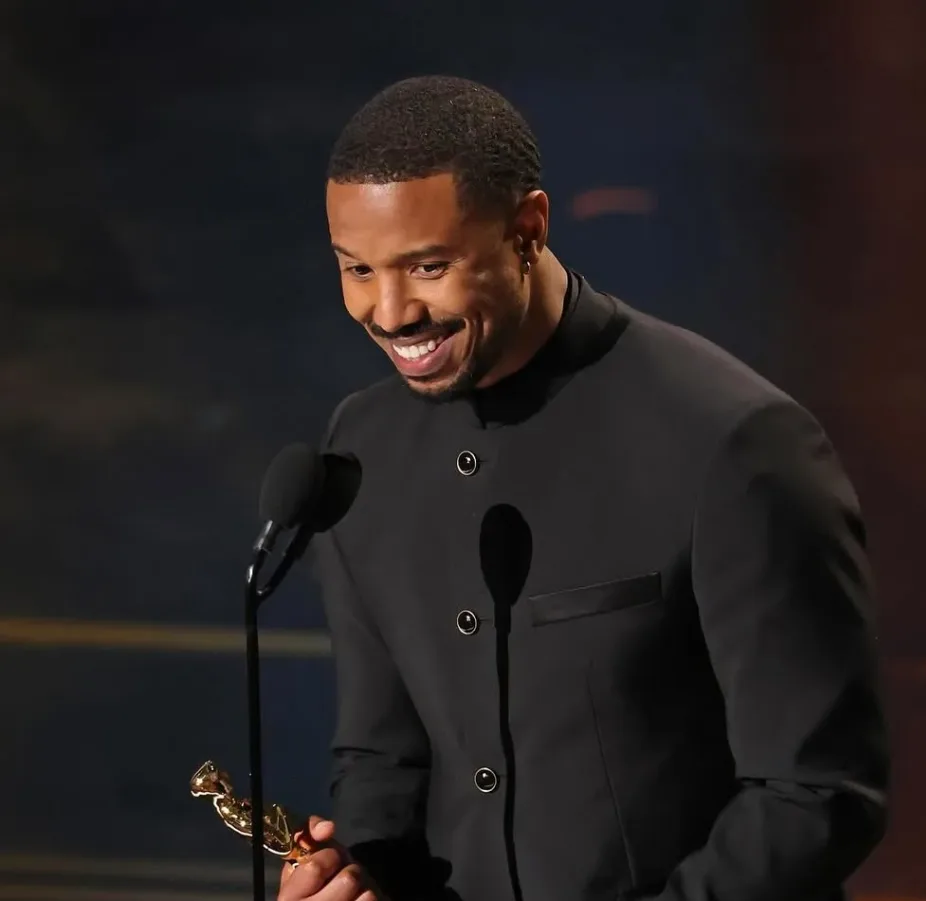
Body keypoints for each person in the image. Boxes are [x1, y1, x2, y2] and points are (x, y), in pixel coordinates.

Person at [278, 75, 889, 901]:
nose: (390, 312)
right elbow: (381, 754)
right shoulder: (361, 448)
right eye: (357, 269)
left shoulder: (732, 443)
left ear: (528, 229)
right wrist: (365, 878)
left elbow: (817, 792)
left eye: (427, 266)